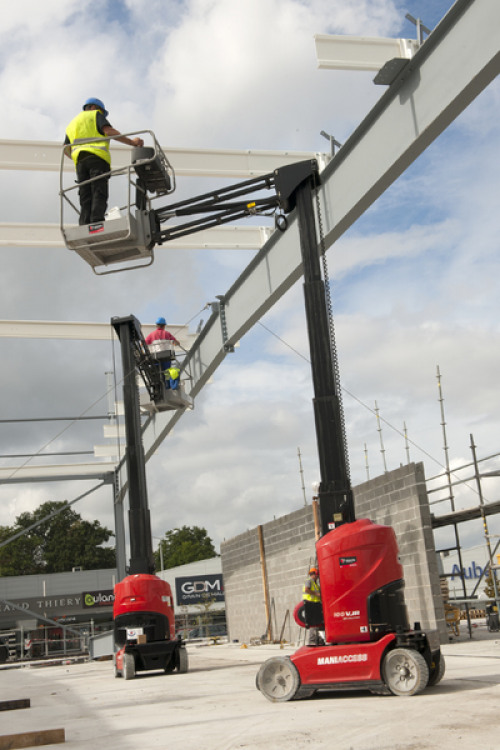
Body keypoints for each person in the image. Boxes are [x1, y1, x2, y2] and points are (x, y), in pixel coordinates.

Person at [64, 97, 144, 225]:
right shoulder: (95, 115)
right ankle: (97, 222)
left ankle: (84, 223)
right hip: (97, 158)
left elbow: (66, 149)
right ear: (94, 107)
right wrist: (131, 142)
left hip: (80, 162)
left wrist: (77, 157)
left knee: (85, 194)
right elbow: (108, 131)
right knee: (98, 191)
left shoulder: (72, 124)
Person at [145, 317, 181, 384]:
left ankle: (158, 384)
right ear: (164, 326)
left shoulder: (152, 334)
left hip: (155, 357)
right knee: (167, 373)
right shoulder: (167, 334)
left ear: (156, 325)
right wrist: (175, 343)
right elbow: (177, 343)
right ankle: (167, 385)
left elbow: (143, 344)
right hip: (166, 357)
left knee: (157, 373)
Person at [302, 566, 324, 645]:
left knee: (318, 623)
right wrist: (317, 594)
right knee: (314, 623)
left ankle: (319, 640)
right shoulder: (309, 581)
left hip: (316, 604)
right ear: (314, 574)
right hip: (310, 604)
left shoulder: (315, 583)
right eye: (317, 574)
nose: (318, 576)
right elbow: (307, 590)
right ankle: (312, 641)